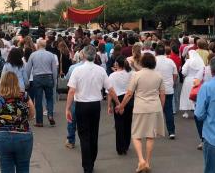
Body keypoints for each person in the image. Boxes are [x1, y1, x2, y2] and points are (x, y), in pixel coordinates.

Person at [65, 45, 120, 173]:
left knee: (84, 135)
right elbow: (110, 89)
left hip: (82, 105)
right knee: (94, 133)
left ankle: (87, 165)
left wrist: (68, 108)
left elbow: (71, 91)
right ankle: (92, 160)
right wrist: (118, 102)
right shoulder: (100, 70)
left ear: (83, 55)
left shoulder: (77, 71)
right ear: (95, 56)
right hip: (95, 105)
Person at [116, 53, 165, 172]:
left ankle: (141, 160)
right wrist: (161, 108)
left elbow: (129, 93)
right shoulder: (159, 76)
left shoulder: (137, 75)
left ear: (142, 62)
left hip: (140, 107)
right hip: (155, 106)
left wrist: (121, 105)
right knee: (150, 136)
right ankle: (147, 162)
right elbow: (162, 94)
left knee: (136, 135)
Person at [0, 71, 35, 173]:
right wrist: (22, 120)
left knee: (5, 168)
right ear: (16, 83)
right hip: (24, 136)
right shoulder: (25, 96)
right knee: (23, 167)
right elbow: (32, 114)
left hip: (2, 137)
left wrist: (0, 122)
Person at [26, 39, 57, 127]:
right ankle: (50, 115)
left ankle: (39, 121)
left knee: (38, 100)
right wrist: (54, 81)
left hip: (37, 78)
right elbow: (54, 70)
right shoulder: (51, 55)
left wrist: (27, 81)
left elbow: (28, 69)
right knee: (49, 98)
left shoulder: (33, 55)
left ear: (38, 45)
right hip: (48, 77)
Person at [107, 55, 134, 155]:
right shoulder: (131, 74)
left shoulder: (112, 76)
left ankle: (120, 147)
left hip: (117, 99)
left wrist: (109, 105)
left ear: (117, 64)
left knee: (119, 124)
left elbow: (110, 91)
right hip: (129, 99)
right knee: (128, 123)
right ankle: (126, 145)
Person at [154, 44, 178, 139]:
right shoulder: (170, 61)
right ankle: (171, 131)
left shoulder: (154, 61)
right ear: (164, 51)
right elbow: (175, 74)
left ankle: (155, 130)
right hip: (168, 88)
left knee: (155, 110)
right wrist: (172, 82)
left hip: (156, 89)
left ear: (155, 52)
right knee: (168, 110)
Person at [180, 50, 205, 118]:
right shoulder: (201, 62)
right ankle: (196, 110)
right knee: (197, 95)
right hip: (197, 80)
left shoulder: (188, 61)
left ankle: (186, 112)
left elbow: (184, 72)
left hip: (188, 80)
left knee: (186, 95)